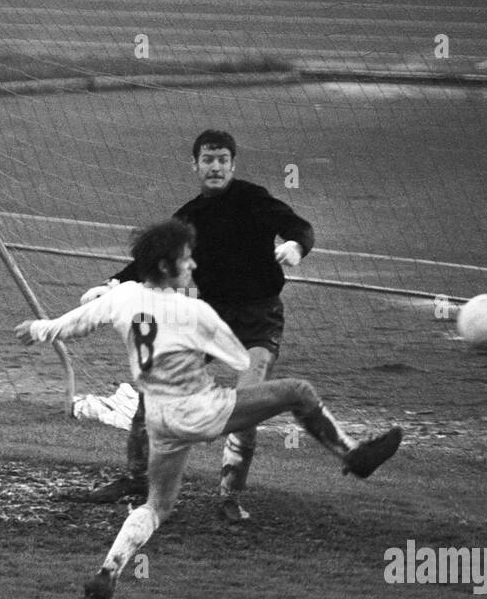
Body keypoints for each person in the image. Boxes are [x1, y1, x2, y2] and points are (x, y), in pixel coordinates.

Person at [17, 219, 402, 599]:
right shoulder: (195, 311)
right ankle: (355, 455)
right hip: (201, 410)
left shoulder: (123, 298)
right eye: (186, 260)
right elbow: (241, 360)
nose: (194, 266)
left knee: (157, 506)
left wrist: (38, 328)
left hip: (160, 422)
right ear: (167, 267)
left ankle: (108, 573)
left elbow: (72, 324)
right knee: (300, 393)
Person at [78, 129, 315, 523]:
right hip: (204, 319)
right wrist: (112, 284)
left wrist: (296, 246)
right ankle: (138, 479)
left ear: (233, 165)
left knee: (248, 399)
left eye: (223, 159)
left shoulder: (254, 199)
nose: (216, 166)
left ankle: (230, 497)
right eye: (208, 159)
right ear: (195, 165)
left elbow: (298, 226)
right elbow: (148, 262)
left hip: (257, 319)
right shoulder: (189, 216)